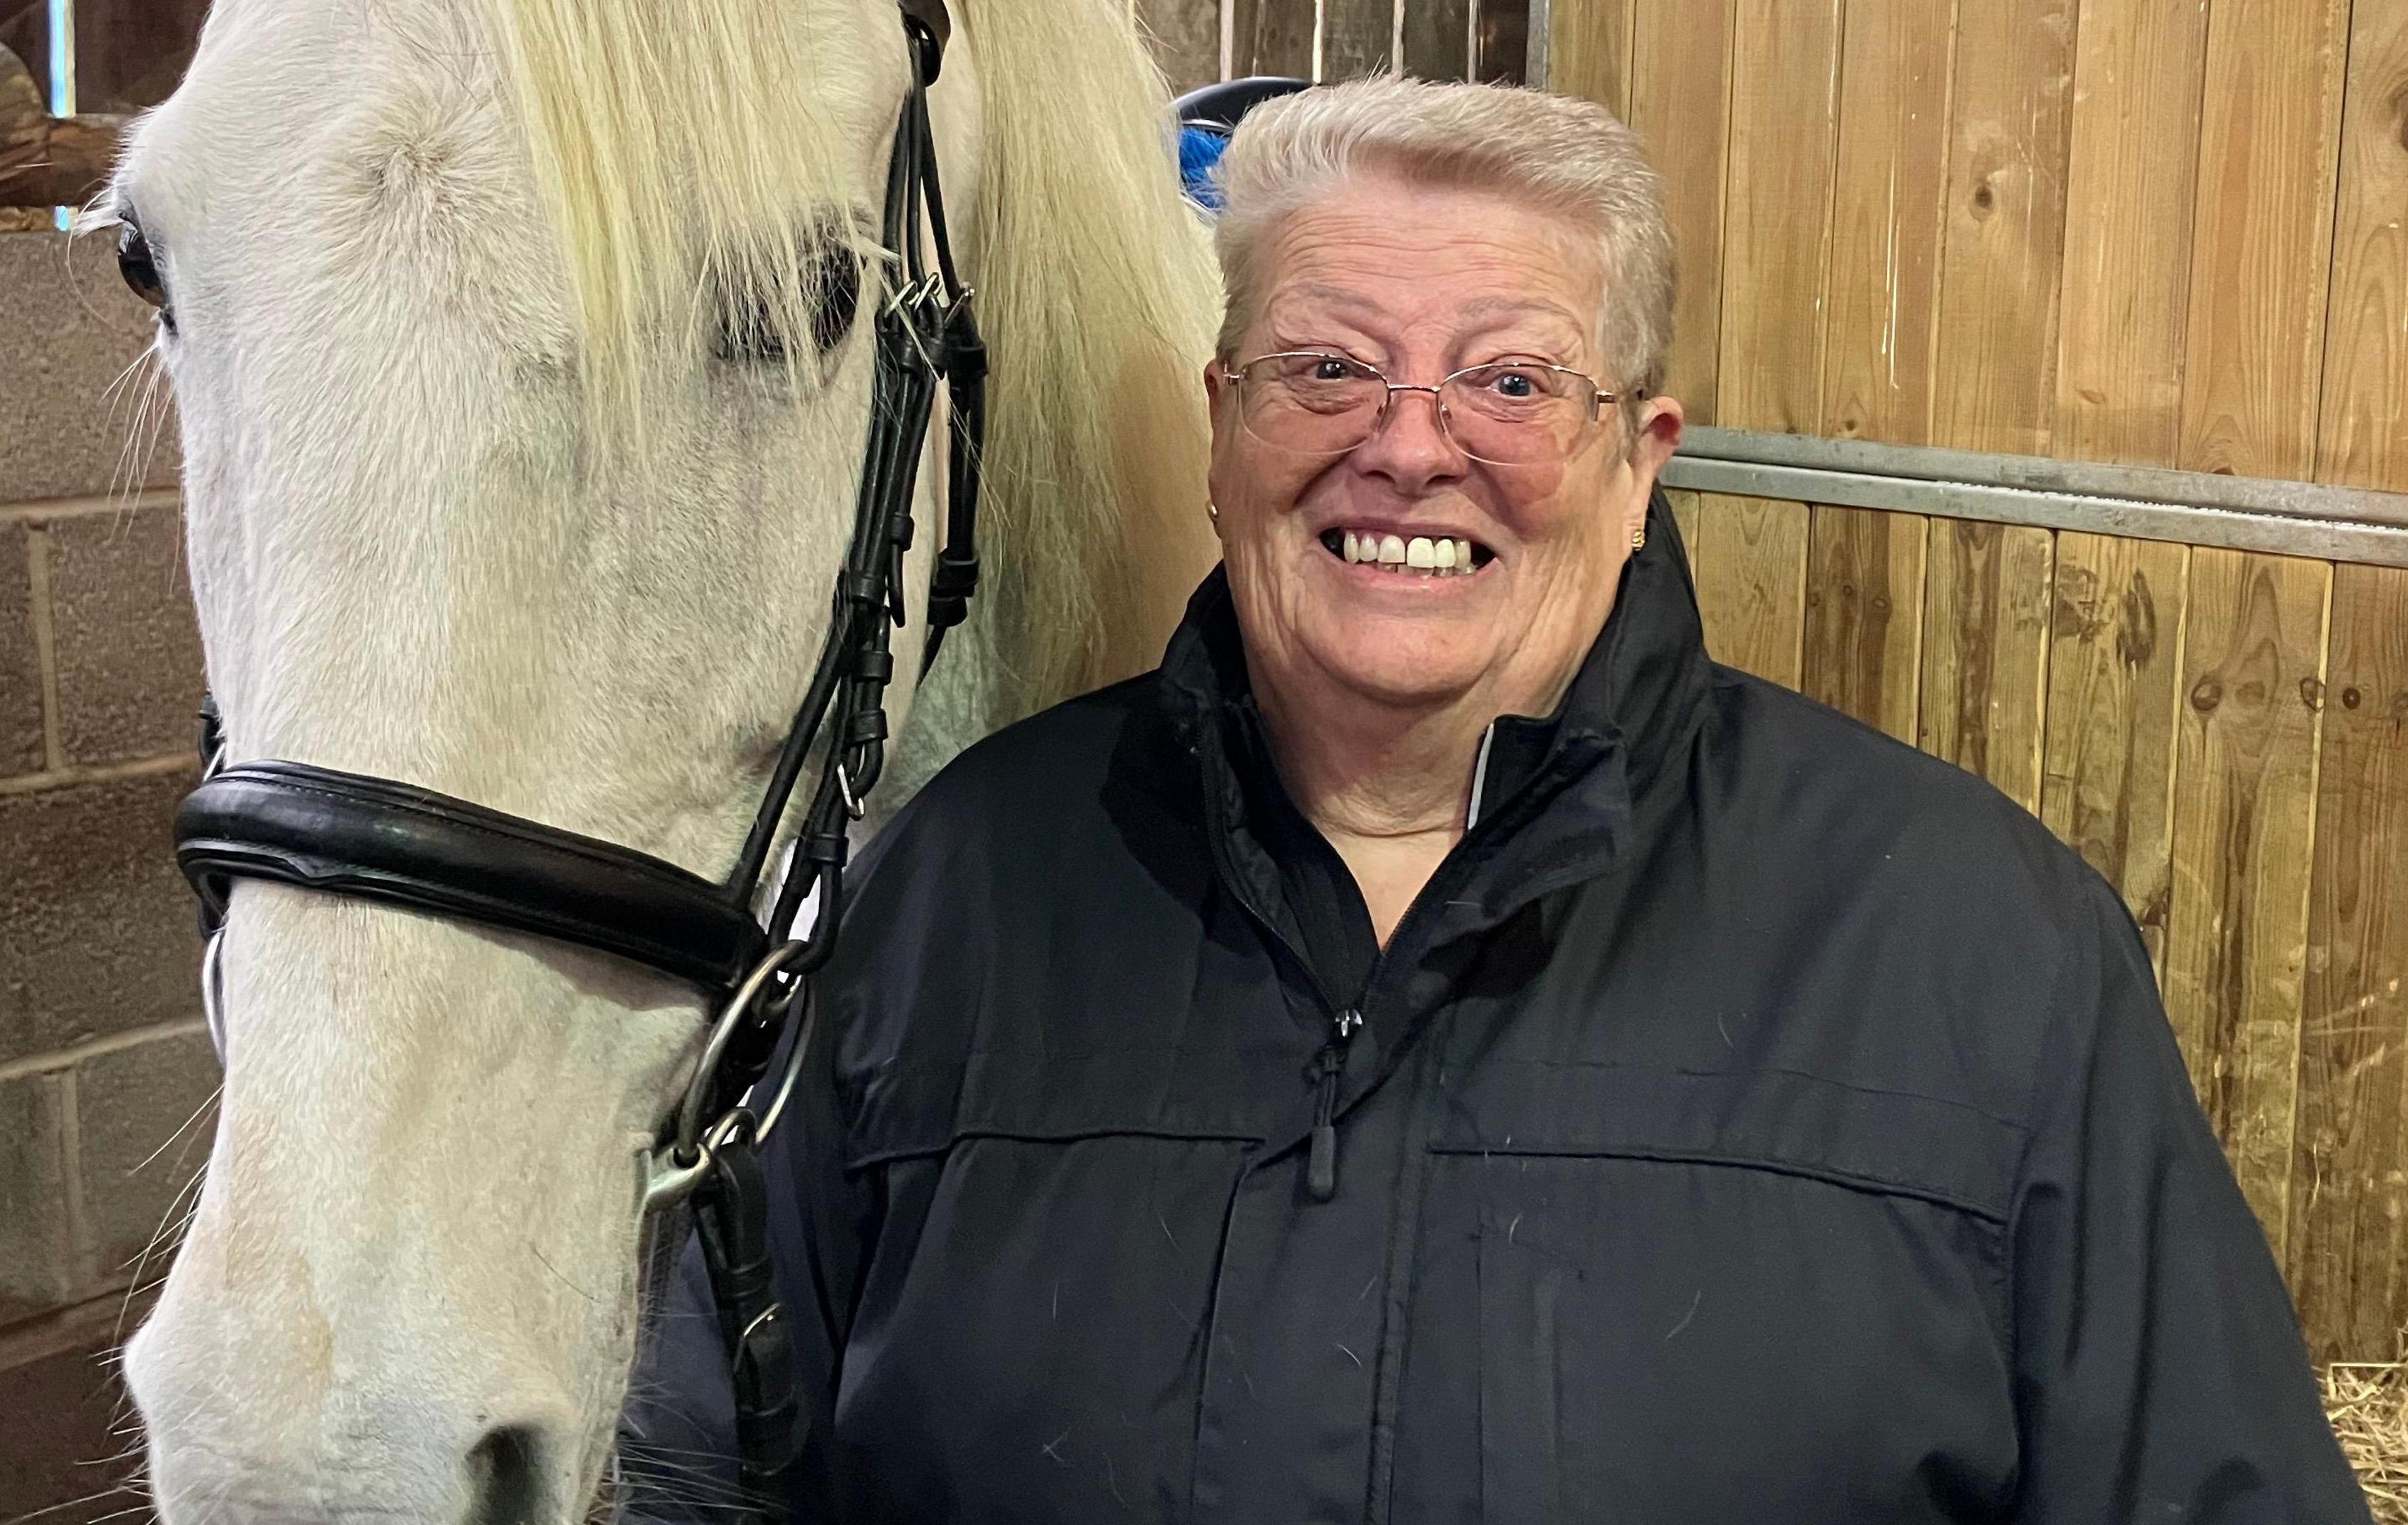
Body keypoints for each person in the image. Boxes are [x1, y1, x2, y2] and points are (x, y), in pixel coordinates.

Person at [627, 77, 2369, 1523]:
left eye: (1511, 381)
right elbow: (707, 1474)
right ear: (1219, 424)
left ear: (1640, 464)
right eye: (1324, 367)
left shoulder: (1986, 957)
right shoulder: (948, 905)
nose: (1405, 442)